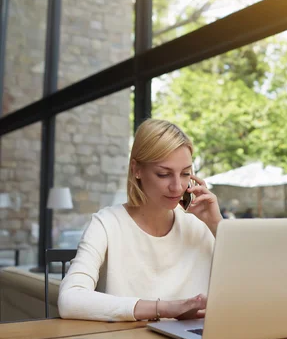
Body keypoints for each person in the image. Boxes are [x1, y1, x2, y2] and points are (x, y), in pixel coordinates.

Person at [58, 119, 223, 322]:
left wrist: (218, 226)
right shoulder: (107, 224)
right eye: (164, 174)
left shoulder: (201, 224)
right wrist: (166, 309)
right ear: (137, 170)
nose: (178, 187)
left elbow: (251, 287)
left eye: (186, 174)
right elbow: (69, 300)